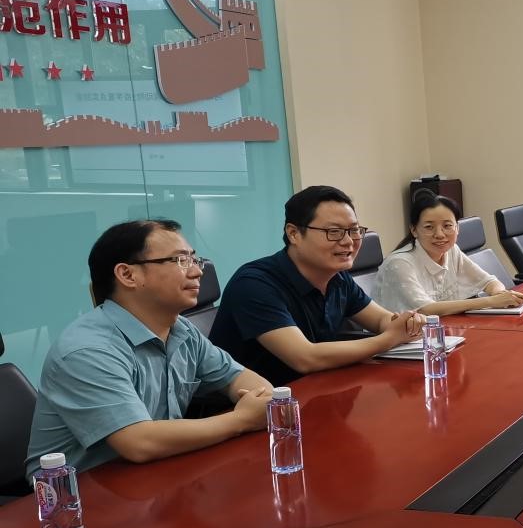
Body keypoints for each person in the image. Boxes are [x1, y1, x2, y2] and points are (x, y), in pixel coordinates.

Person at [26, 220, 274, 477]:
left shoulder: (181, 330)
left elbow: (248, 383)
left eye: (195, 259)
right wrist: (241, 419)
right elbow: (139, 443)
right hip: (78, 491)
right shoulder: (87, 350)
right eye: (180, 260)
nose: (197, 271)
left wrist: (258, 402)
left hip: (155, 472)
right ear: (128, 275)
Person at [209, 185, 424, 384]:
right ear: (294, 234)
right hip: (255, 405)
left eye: (354, 230)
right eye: (334, 232)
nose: (348, 241)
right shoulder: (254, 284)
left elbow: (381, 320)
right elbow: (305, 358)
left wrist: (407, 323)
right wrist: (388, 339)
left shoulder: (338, 278)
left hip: (318, 389)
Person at [373, 193, 523, 315]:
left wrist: (500, 295)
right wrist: (491, 301)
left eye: (447, 226)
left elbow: (488, 282)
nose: (439, 234)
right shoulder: (399, 263)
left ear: (457, 228)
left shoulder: (452, 250)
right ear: (414, 230)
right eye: (429, 227)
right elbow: (426, 309)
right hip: (400, 342)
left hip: (443, 334)